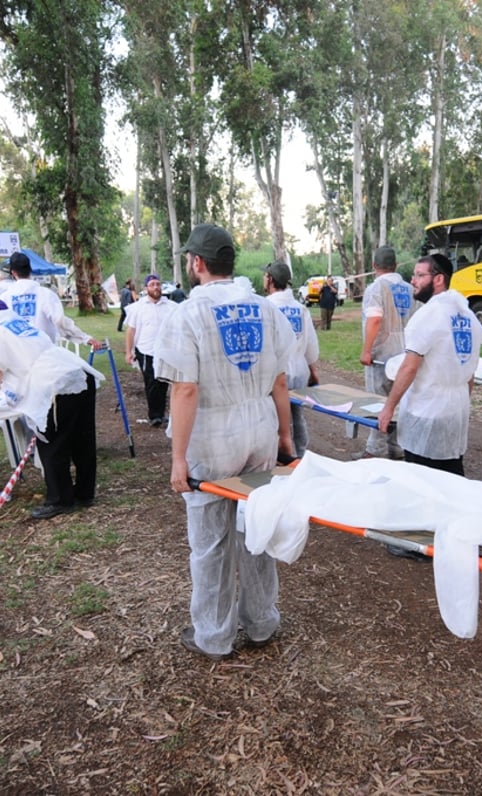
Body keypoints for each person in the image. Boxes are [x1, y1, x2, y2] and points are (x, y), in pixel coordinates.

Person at [153, 223, 294, 660]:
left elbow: (185, 389)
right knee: (258, 529)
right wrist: (286, 436)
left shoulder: (187, 315)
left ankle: (213, 635)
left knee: (212, 541)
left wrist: (179, 458)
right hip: (259, 427)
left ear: (197, 263)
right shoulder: (266, 309)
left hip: (212, 437)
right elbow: (279, 381)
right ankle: (261, 622)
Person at [0, 297, 105, 520]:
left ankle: (60, 499)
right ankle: (84, 493)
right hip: (78, 373)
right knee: (83, 439)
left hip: (56, 384)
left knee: (51, 443)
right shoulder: (22, 325)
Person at [377, 253, 482, 476]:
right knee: (452, 475)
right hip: (456, 408)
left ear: (438, 279)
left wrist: (389, 408)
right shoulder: (468, 316)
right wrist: (462, 399)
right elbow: (470, 371)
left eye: (419, 275)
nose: (413, 281)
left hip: (427, 409)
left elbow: (409, 367)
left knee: (423, 480)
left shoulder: (428, 315)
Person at [360, 245, 416, 459]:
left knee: (378, 402)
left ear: (374, 266)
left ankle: (375, 449)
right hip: (406, 354)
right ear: (396, 265)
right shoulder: (410, 289)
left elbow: (375, 319)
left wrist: (366, 350)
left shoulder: (376, 288)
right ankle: (396, 447)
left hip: (381, 354)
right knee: (399, 400)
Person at [263, 261, 320, 457]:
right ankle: (301, 453)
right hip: (299, 370)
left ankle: (283, 454)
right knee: (297, 415)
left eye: (265, 275)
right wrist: (312, 370)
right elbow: (311, 344)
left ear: (270, 279)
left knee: (276, 416)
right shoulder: (299, 308)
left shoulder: (266, 307)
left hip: (277, 374)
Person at [3, 251, 100, 348]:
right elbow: (60, 321)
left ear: (13, 272)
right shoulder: (46, 294)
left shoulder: (4, 298)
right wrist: (84, 338)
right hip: (44, 351)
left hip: (16, 353)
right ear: (30, 269)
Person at [125, 274, 178, 427]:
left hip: (166, 350)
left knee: (164, 382)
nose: (156, 287)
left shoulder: (171, 307)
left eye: (158, 284)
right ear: (146, 288)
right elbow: (130, 330)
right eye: (152, 284)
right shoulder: (138, 308)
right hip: (146, 350)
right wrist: (129, 351)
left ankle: (161, 413)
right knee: (151, 382)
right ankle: (155, 415)